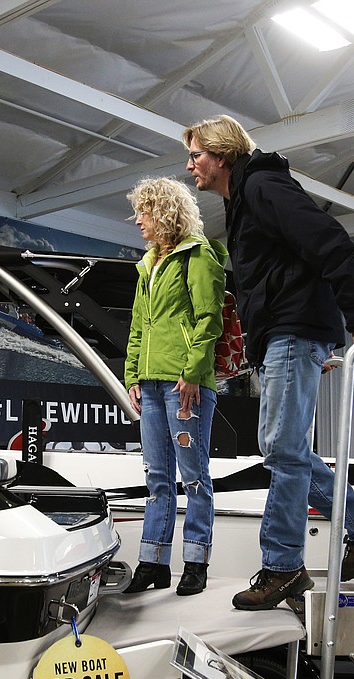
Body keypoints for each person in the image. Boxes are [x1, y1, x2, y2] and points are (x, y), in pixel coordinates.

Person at [182, 115, 354, 611]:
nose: (190, 165)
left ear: (220, 155)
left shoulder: (262, 186)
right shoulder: (244, 201)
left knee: (282, 450)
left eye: (196, 155)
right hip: (288, 338)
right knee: (282, 449)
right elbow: (276, 276)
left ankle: (284, 566)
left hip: (292, 333)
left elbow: (326, 238)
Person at [122, 176, 226, 597]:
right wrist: (131, 375)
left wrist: (193, 372)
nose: (138, 221)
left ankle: (196, 563)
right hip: (149, 384)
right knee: (157, 478)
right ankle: (153, 563)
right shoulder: (146, 265)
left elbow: (209, 319)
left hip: (186, 386)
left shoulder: (197, 256)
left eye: (144, 212)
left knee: (195, 477)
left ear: (164, 213)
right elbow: (136, 327)